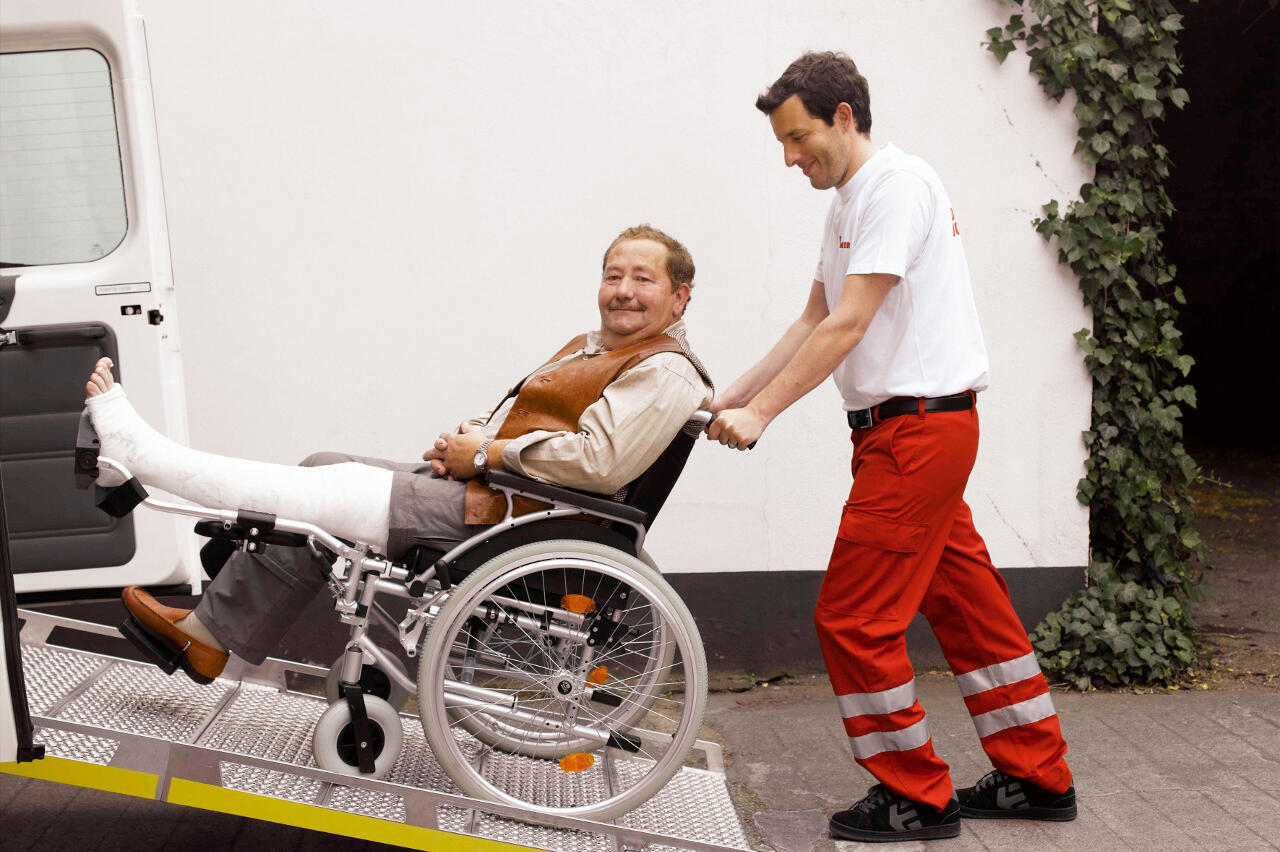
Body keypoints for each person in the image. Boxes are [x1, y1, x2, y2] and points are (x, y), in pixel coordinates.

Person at [708, 52, 1075, 842]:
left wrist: (763, 414)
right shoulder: (848, 203)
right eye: (781, 142)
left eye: (798, 137)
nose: (789, 158)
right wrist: (731, 398)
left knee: (852, 618)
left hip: (916, 433)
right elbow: (812, 319)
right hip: (907, 435)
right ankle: (1037, 776)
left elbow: (849, 323)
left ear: (844, 117)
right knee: (968, 608)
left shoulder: (896, 187)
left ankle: (916, 796)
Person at [88, 224, 712, 685]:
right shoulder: (597, 348)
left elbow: (599, 462)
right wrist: (467, 441)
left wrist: (485, 454)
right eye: (613, 276)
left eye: (643, 279)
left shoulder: (664, 370)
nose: (623, 291)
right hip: (505, 497)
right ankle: (209, 635)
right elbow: (536, 422)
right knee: (322, 466)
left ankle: (144, 457)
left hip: (517, 520)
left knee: (326, 499)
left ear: (679, 297)